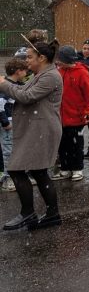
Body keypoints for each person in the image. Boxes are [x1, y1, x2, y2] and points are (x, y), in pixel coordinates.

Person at [0, 35, 64, 231]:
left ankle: (28, 213)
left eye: (29, 57)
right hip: (37, 130)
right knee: (38, 172)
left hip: (42, 130)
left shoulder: (51, 76)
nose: (26, 61)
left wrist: (4, 84)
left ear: (41, 58)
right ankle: (52, 214)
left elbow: (27, 97)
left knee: (17, 170)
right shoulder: (41, 75)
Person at [53, 46, 89, 182]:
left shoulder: (82, 73)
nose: (57, 61)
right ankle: (65, 168)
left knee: (76, 144)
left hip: (77, 116)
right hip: (61, 116)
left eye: (59, 59)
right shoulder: (59, 72)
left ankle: (77, 168)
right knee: (63, 144)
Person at [0, 58, 30, 193]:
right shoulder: (6, 86)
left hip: (15, 122)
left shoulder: (16, 84)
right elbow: (0, 105)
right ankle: (8, 179)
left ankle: (17, 176)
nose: (27, 73)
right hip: (9, 124)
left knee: (16, 150)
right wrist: (5, 121)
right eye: (25, 71)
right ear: (18, 71)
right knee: (9, 151)